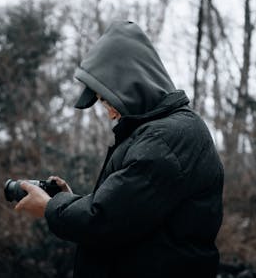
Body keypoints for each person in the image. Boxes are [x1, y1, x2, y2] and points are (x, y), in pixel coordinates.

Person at [15, 20, 224, 277]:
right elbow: (129, 208)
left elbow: (103, 220)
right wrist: (69, 200)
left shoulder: (164, 138)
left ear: (131, 85)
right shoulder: (162, 131)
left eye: (107, 100)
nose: (110, 113)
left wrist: (49, 207)